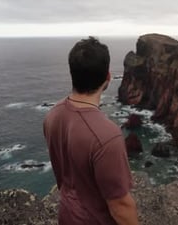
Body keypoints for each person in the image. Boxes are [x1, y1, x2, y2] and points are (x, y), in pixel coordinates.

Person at [43, 37, 139, 225]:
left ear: (72, 73)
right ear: (108, 78)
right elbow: (120, 204)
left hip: (67, 215)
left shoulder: (52, 116)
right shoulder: (106, 136)